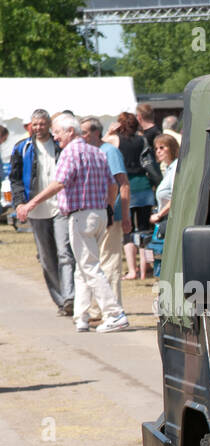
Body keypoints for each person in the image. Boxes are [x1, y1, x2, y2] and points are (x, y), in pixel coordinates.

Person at [15, 114, 129, 333]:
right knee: (83, 266)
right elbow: (112, 185)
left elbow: (59, 183)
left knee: (89, 266)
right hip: (98, 214)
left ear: (70, 131)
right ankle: (82, 315)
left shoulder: (70, 152)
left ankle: (115, 313)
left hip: (81, 215)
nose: (55, 136)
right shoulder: (96, 152)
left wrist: (31, 204)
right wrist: (106, 208)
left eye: (57, 132)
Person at [8, 109, 75, 314]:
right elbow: (15, 179)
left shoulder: (60, 145)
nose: (38, 128)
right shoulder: (22, 148)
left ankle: (70, 296)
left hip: (61, 206)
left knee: (65, 253)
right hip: (35, 209)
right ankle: (61, 300)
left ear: (49, 125)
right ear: (30, 126)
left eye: (42, 124)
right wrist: (19, 203)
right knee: (46, 257)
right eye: (35, 124)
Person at [80, 116, 131, 324]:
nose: (80, 136)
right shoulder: (85, 153)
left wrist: (124, 215)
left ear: (95, 133)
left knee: (109, 261)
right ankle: (97, 308)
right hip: (92, 215)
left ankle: (112, 308)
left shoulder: (110, 152)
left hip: (111, 214)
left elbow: (123, 184)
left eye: (83, 132)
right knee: (94, 262)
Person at [107, 111, 155, 280]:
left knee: (128, 230)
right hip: (144, 185)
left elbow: (99, 145)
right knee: (144, 230)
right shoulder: (142, 139)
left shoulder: (114, 140)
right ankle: (144, 270)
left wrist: (109, 132)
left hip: (126, 185)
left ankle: (132, 270)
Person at [147, 134, 179, 265]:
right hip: (165, 219)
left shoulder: (176, 167)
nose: (158, 151)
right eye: (156, 148)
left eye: (162, 147)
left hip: (170, 219)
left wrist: (159, 214)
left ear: (171, 148)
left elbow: (176, 196)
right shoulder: (168, 168)